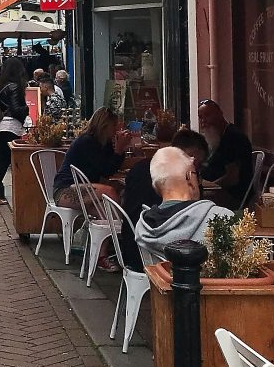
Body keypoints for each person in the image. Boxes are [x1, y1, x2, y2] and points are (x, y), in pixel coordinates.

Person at [119, 129, 210, 272]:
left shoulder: (139, 168)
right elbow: (193, 217)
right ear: (189, 157)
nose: (197, 170)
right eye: (197, 165)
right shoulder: (181, 187)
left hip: (133, 249)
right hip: (166, 264)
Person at [52, 107, 131, 271]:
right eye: (114, 126)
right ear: (105, 126)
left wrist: (118, 150)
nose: (116, 129)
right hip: (66, 189)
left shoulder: (105, 143)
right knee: (110, 192)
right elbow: (105, 169)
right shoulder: (87, 142)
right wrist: (119, 150)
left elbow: (110, 168)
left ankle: (101, 256)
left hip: (85, 189)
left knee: (104, 209)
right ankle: (121, 237)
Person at [133, 146, 234, 267]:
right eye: (196, 174)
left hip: (160, 284)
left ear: (156, 187)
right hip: (208, 285)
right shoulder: (221, 218)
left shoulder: (143, 227)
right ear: (190, 177)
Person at [0, 59, 28, 206]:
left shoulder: (1, 85)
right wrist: (27, 109)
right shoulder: (15, 86)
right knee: (4, 162)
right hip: (9, 127)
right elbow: (15, 110)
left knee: (1, 162)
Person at [198, 99, 254, 209]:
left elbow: (232, 177)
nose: (203, 121)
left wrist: (209, 187)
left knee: (191, 201)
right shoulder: (216, 138)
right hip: (216, 190)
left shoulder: (233, 138)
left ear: (219, 113)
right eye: (200, 117)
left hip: (232, 196)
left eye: (207, 115)